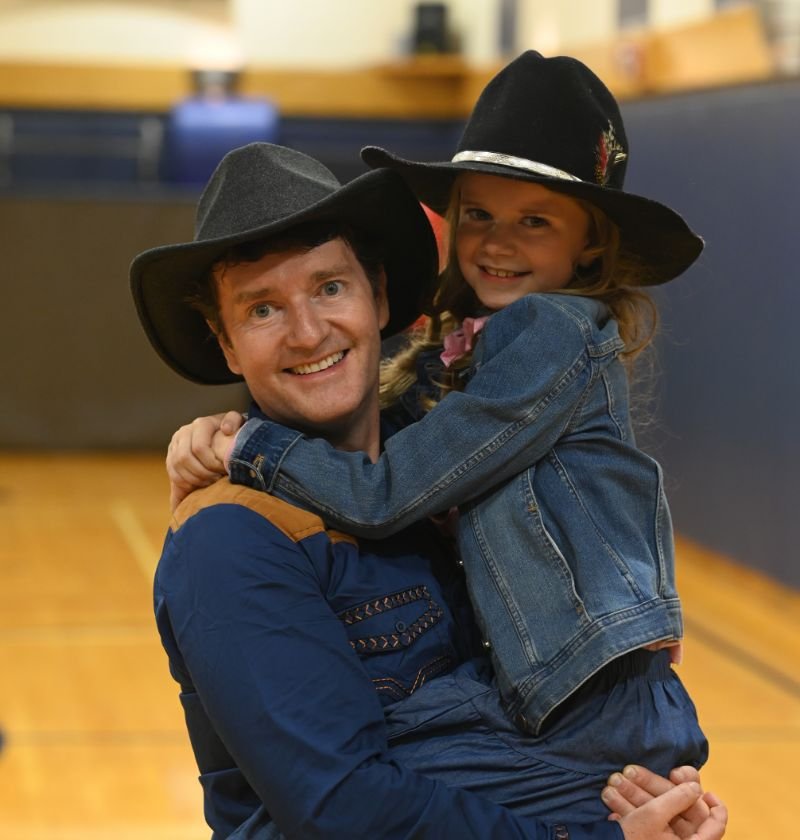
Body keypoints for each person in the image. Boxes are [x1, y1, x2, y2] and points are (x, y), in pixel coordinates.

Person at [166, 50, 710, 818]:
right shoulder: (235, 539)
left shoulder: (519, 358)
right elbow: (351, 805)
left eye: (329, 287)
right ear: (224, 344)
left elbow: (392, 495)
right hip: (567, 715)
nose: (308, 330)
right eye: (262, 309)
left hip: (584, 708)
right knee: (380, 778)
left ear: (380, 296)